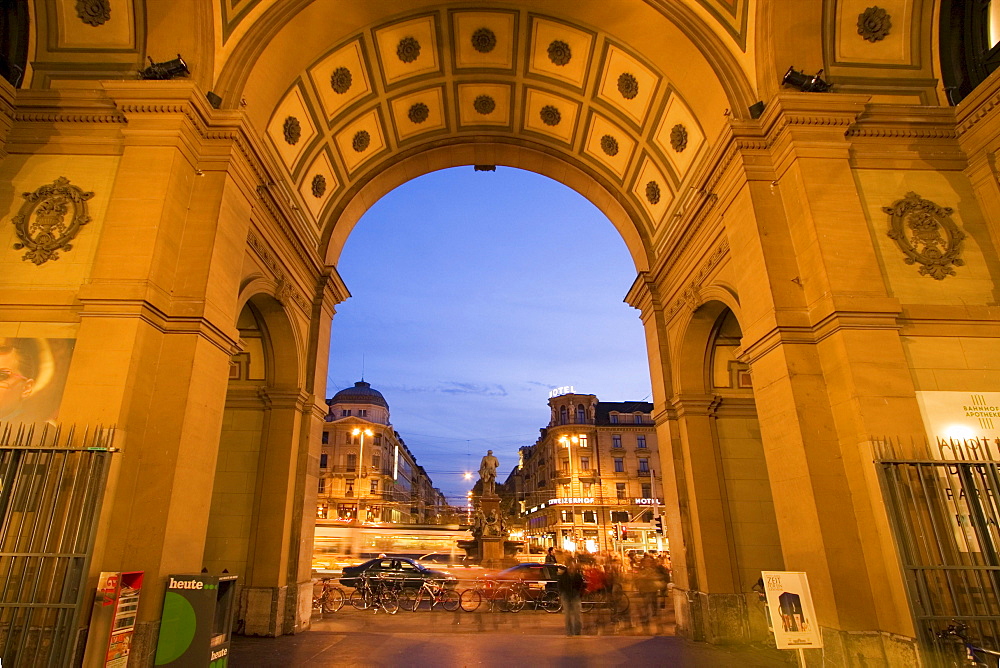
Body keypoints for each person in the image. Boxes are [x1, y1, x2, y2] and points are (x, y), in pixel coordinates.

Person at [557, 558, 585, 636]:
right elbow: (560, 585)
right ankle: (569, 631)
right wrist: (562, 593)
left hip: (574, 596)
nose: (571, 568)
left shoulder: (577, 576)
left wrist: (579, 593)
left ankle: (577, 631)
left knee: (577, 614)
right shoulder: (563, 576)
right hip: (566, 596)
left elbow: (582, 585)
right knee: (568, 615)